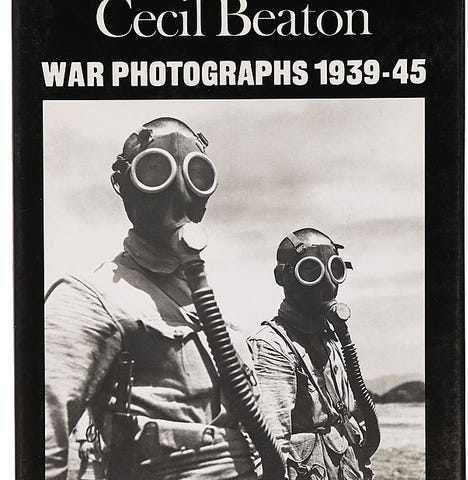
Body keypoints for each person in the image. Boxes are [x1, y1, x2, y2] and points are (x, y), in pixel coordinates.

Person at [45, 117, 259, 480]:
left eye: (197, 175)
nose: (178, 190)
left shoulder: (201, 304)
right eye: (155, 171)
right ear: (126, 186)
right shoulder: (93, 297)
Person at [248, 228, 379, 480]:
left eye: (335, 270)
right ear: (283, 277)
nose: (326, 283)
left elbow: (353, 413)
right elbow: (270, 444)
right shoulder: (272, 346)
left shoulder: (329, 338)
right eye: (310, 271)